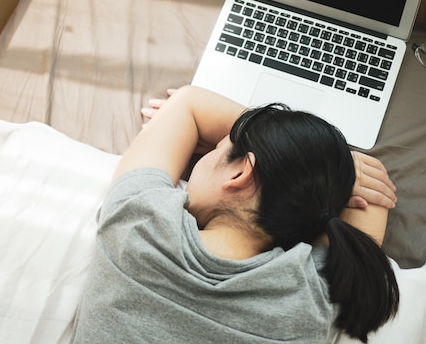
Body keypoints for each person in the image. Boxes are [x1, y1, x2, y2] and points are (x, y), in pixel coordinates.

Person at [73, 86, 399, 343]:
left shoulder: (137, 219)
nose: (203, 153)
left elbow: (188, 103)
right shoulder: (310, 293)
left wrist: (281, 147)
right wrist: (305, 162)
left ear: (240, 174)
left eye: (216, 148)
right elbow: (373, 202)